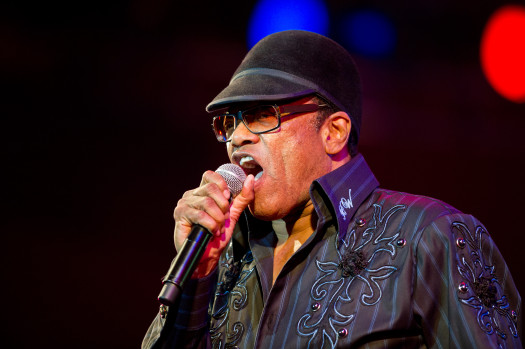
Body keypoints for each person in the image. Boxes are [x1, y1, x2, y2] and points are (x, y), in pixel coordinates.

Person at [142, 30, 521, 348]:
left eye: (262, 115)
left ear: (334, 132)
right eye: (230, 121)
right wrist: (195, 277)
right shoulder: (223, 259)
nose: (238, 137)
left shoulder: (430, 236)